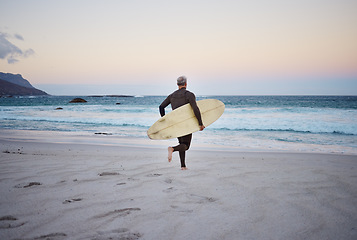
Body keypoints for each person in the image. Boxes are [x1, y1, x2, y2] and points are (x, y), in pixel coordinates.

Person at [159, 76, 205, 170]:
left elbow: (161, 107)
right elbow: (195, 109)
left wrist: (165, 120)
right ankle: (172, 149)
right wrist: (200, 123)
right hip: (186, 123)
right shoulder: (189, 95)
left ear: (177, 84)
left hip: (176, 123)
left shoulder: (172, 95)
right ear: (186, 84)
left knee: (181, 143)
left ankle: (183, 166)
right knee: (186, 145)